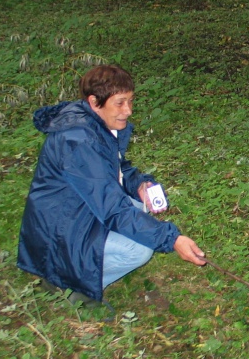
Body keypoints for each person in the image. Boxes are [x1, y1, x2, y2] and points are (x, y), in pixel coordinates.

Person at [17, 64, 206, 314]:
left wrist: (138, 184)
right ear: (95, 102)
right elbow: (112, 208)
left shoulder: (97, 126)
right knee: (138, 249)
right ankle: (66, 284)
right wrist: (172, 239)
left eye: (130, 101)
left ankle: (77, 271)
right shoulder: (78, 141)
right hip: (59, 233)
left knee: (139, 207)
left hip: (81, 211)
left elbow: (117, 170)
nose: (127, 111)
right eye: (119, 103)